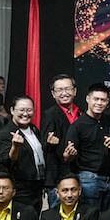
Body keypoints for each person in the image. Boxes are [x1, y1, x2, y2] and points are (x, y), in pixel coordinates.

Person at [64, 83, 110, 210]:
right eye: (96, 99)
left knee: (109, 218)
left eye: (103, 100)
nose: (99, 103)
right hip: (88, 178)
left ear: (107, 102)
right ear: (88, 99)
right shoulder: (77, 126)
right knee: (90, 216)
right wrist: (68, 155)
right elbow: (67, 157)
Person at [0, 95, 48, 208]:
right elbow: (7, 161)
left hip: (36, 186)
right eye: (22, 110)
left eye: (29, 110)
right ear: (12, 110)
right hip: (19, 189)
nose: (25, 114)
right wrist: (15, 147)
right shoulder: (5, 133)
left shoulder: (33, 129)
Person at [40, 74, 82, 209]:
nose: (64, 93)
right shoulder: (50, 114)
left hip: (80, 174)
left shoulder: (81, 113)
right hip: (58, 177)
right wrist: (51, 144)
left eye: (68, 89)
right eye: (59, 90)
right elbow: (44, 145)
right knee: (58, 216)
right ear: (53, 94)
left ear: (74, 91)